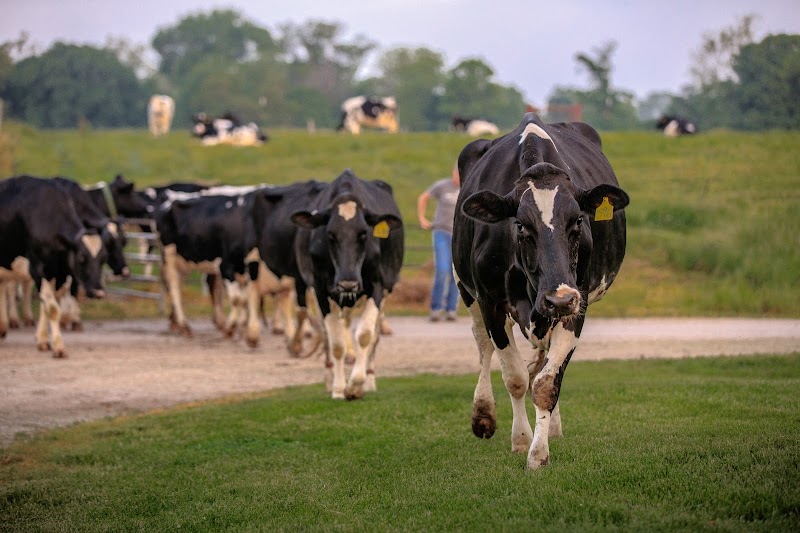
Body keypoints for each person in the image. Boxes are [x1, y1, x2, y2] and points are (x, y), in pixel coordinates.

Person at [417, 164, 460, 322]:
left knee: (456, 273)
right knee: (442, 270)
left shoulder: (467, 188)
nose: (458, 177)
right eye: (456, 173)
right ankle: (435, 308)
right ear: (453, 172)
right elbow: (423, 197)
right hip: (441, 232)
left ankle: (451, 309)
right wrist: (422, 219)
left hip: (458, 236)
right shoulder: (442, 186)